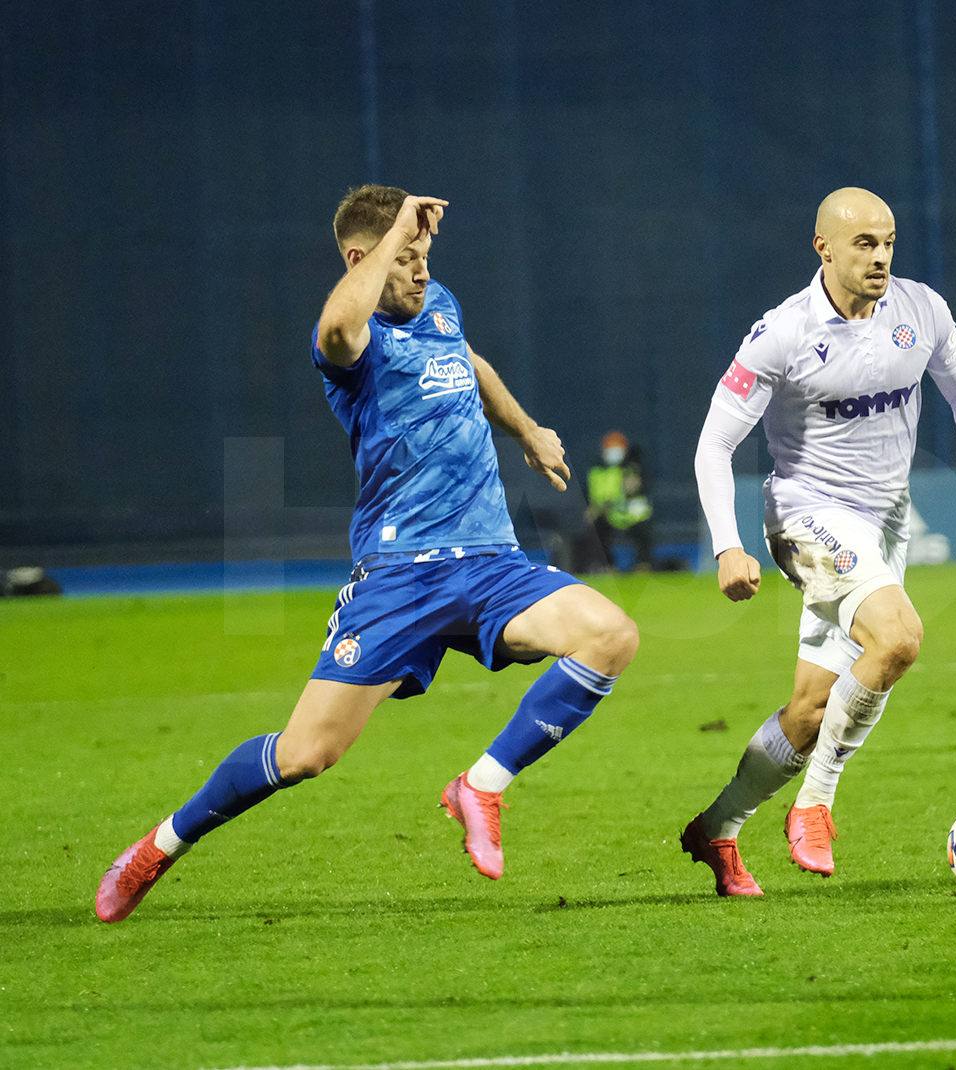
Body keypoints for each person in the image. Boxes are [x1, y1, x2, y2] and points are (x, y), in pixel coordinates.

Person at [95, 186, 639, 923]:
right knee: (304, 755)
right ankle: (159, 846)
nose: (420, 271)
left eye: (424, 257)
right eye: (405, 258)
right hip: (400, 578)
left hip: (488, 562)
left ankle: (479, 785)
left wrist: (528, 430)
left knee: (610, 634)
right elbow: (336, 323)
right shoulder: (349, 347)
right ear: (363, 258)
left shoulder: (438, 301)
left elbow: (468, 362)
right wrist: (389, 247)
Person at [682, 187, 956, 896]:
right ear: (823, 248)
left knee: (807, 713)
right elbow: (714, 445)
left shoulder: (920, 310)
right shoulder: (783, 332)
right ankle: (815, 804)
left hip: (883, 525)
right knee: (898, 638)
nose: (881, 256)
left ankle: (717, 828)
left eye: (889, 241)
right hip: (804, 516)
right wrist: (727, 544)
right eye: (864, 243)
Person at [586, 431, 655, 570]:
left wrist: (634, 487)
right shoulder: (596, 471)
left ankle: (643, 565)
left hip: (630, 516)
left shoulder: (633, 468)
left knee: (643, 528)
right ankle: (607, 566)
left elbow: (642, 490)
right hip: (608, 514)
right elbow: (594, 498)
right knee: (596, 528)